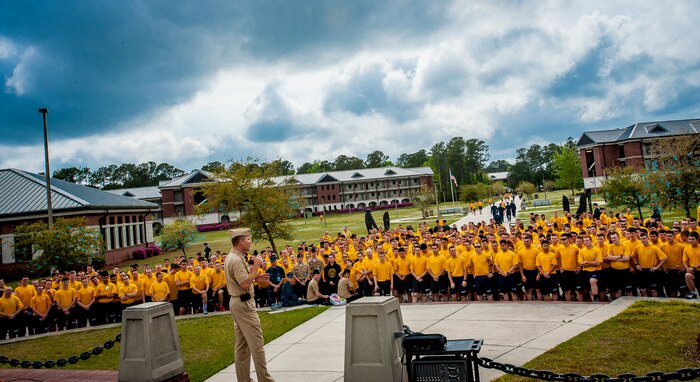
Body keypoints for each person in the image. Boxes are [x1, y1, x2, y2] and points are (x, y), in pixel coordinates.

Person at [225, 227, 275, 382]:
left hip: (238, 303)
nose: (250, 242)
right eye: (248, 239)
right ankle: (265, 379)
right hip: (244, 304)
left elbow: (244, 280)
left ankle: (244, 379)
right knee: (257, 345)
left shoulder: (234, 257)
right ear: (240, 242)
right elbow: (245, 283)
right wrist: (255, 267)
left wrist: (256, 278)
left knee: (242, 347)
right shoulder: (236, 259)